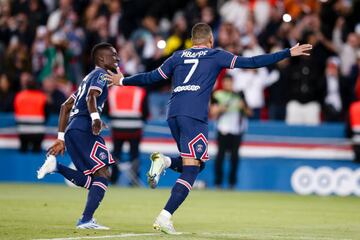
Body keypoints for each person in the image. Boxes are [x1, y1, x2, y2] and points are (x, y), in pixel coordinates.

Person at [106, 23, 312, 234]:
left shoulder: (177, 56)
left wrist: (122, 80)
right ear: (210, 40)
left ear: (192, 39)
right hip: (194, 116)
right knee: (193, 168)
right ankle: (165, 216)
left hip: (173, 114)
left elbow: (151, 77)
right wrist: (288, 52)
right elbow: (252, 62)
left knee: (196, 163)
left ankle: (164, 161)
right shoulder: (216, 55)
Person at [37, 42, 119, 229]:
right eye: (113, 55)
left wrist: (61, 138)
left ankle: (57, 167)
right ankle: (86, 219)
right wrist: (96, 118)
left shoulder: (86, 78)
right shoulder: (100, 75)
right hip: (85, 129)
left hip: (74, 130)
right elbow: (91, 97)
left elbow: (65, 107)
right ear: (101, 59)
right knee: (103, 173)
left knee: (95, 179)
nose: (118, 58)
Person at [210, 75, 251, 189]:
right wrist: (220, 109)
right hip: (222, 129)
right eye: (226, 82)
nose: (228, 84)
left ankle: (232, 183)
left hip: (236, 130)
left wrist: (243, 107)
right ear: (222, 83)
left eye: (230, 82)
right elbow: (212, 112)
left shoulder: (240, 95)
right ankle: (218, 182)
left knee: (234, 158)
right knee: (220, 157)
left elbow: (249, 112)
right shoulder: (217, 95)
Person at [107, 85, 149, 186]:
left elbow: (106, 110)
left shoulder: (112, 91)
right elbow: (145, 112)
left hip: (117, 127)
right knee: (134, 154)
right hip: (135, 128)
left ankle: (113, 179)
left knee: (116, 154)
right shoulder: (140, 91)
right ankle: (134, 180)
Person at [14, 72, 47, 153]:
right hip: (38, 131)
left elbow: (16, 111)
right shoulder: (42, 97)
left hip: (23, 131)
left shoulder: (19, 96)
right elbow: (47, 113)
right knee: (36, 153)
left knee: (23, 151)